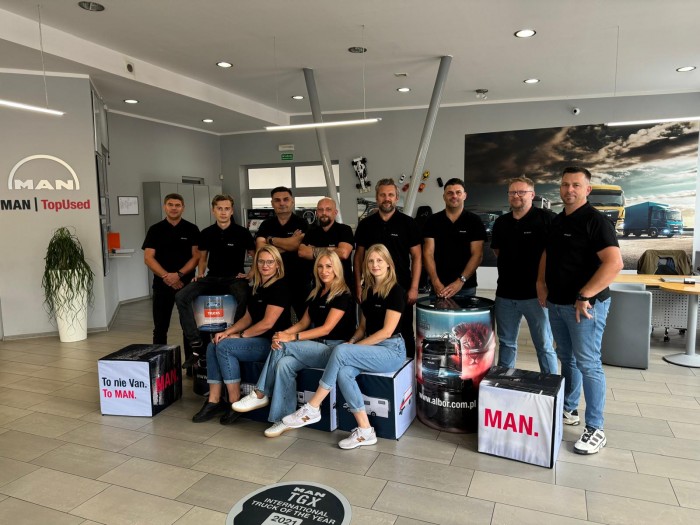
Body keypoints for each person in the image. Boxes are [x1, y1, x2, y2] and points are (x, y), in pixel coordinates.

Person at [282, 244, 406, 449]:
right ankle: (365, 430)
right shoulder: (367, 291)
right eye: (371, 261)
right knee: (344, 372)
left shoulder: (396, 291)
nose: (375, 265)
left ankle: (313, 407)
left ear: (388, 265)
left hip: (392, 350)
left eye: (379, 260)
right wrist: (353, 342)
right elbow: (363, 327)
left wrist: (353, 349)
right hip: (372, 348)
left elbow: (386, 332)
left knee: (341, 351)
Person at [538, 166, 623, 455]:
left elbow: (614, 263)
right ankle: (569, 409)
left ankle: (596, 428)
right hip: (557, 303)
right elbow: (548, 253)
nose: (569, 189)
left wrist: (585, 294)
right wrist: (540, 283)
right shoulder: (557, 220)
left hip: (586, 307)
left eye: (576, 185)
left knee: (588, 363)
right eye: (565, 184)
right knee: (567, 358)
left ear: (587, 189)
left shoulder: (596, 221)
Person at [231, 250, 356, 437]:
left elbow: (326, 329)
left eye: (329, 266)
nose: (324, 271)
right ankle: (283, 419)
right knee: (284, 364)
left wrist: (291, 338)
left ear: (337, 269)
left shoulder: (342, 294)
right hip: (316, 347)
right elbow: (303, 323)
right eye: (320, 266)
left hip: (334, 350)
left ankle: (260, 393)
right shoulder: (317, 292)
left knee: (284, 345)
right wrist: (283, 334)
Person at [191, 245, 291, 425]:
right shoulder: (257, 286)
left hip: (272, 343)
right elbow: (248, 317)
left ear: (278, 264)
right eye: (261, 261)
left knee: (225, 347)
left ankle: (234, 402)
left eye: (270, 262)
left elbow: (267, 323)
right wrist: (227, 332)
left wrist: (241, 336)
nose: (265, 265)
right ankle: (214, 400)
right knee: (214, 343)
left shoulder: (280, 287)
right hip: (256, 338)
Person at [176, 194, 255, 369]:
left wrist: (251, 274)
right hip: (212, 277)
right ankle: (196, 344)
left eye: (227, 209)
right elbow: (202, 258)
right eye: (219, 208)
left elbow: (255, 255)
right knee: (181, 296)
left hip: (234, 278)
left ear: (232, 211)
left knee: (244, 295)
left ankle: (233, 336)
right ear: (213, 211)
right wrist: (200, 274)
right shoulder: (206, 233)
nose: (223, 212)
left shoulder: (242, 232)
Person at [491, 176, 558, 374]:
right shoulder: (501, 223)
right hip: (505, 294)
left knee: (544, 345)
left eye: (521, 192)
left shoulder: (547, 219)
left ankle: (551, 387)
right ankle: (504, 384)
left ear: (532, 195)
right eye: (512, 192)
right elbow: (498, 251)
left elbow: (555, 252)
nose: (516, 196)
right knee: (506, 343)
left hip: (536, 296)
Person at [354, 179, 420, 357]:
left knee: (405, 330)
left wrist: (414, 287)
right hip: (372, 286)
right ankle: (375, 362)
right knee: (372, 327)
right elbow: (358, 257)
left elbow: (417, 256)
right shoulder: (366, 225)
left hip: (401, 286)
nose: (387, 198)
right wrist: (358, 285)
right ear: (376, 198)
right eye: (382, 195)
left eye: (391, 195)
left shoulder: (408, 223)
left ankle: (407, 368)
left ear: (397, 198)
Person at [142, 193, 200, 349]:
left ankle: (191, 361)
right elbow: (148, 258)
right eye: (170, 205)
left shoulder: (192, 229)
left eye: (177, 205)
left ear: (183, 208)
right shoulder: (155, 230)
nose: (174, 208)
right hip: (162, 285)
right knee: (160, 328)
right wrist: (167, 277)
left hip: (186, 285)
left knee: (189, 327)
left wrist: (179, 275)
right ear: (164, 207)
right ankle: (160, 361)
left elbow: (196, 257)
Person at [423, 178, 486, 299]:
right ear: (444, 196)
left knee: (465, 313)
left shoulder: (474, 221)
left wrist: (460, 281)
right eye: (450, 193)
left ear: (465, 195)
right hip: (438, 286)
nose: (454, 196)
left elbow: (477, 255)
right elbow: (428, 253)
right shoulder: (432, 221)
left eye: (458, 192)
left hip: (466, 287)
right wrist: (435, 281)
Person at [256, 186, 309, 319]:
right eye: (277, 200)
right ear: (272, 203)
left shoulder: (302, 223)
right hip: (274, 281)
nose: (282, 203)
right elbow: (261, 249)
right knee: (278, 321)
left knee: (304, 319)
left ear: (292, 202)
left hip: (299, 280)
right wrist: (289, 243)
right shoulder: (266, 225)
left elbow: (297, 246)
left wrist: (271, 241)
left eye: (286, 199)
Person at [298, 197, 354, 292]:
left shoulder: (344, 230)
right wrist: (333, 249)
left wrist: (313, 250)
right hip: (318, 286)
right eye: (320, 210)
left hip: (342, 286)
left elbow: (343, 254)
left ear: (335, 212)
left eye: (328, 209)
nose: (324, 213)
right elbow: (302, 252)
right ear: (317, 213)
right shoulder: (311, 232)